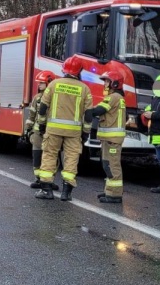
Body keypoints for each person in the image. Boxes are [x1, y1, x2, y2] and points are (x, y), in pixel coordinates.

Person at [35, 55, 93, 202]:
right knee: (71, 159)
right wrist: (86, 132)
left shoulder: (54, 84)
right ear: (79, 71)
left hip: (53, 130)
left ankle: (46, 190)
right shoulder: (85, 89)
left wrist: (42, 124)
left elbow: (42, 107)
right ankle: (66, 193)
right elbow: (88, 114)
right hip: (73, 132)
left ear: (64, 70)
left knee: (49, 156)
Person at [84, 70, 126, 204]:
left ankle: (114, 194)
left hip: (112, 139)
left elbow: (98, 111)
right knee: (107, 164)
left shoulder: (113, 97)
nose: (105, 84)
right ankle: (110, 190)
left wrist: (84, 109)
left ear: (115, 83)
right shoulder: (117, 98)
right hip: (110, 139)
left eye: (107, 81)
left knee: (112, 165)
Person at [24, 71, 56, 189]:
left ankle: (48, 181)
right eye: (39, 83)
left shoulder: (54, 98)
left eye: (42, 83)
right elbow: (32, 115)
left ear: (49, 83)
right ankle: (38, 179)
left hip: (50, 132)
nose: (39, 85)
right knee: (37, 156)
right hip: (38, 133)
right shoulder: (37, 98)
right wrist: (28, 129)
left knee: (50, 157)